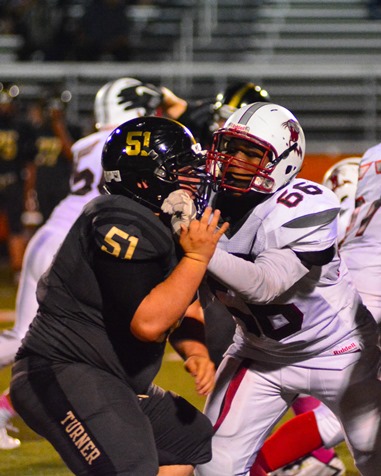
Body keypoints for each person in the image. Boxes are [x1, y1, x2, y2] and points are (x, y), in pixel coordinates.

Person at [9, 115, 229, 475]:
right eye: (183, 171)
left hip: (110, 378)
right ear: (146, 180)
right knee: (130, 466)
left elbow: (182, 307)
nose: (195, 179)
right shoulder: (119, 219)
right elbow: (149, 322)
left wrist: (196, 352)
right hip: (61, 371)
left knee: (190, 438)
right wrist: (195, 257)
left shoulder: (161, 221)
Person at [191, 102, 381, 476]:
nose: (235, 161)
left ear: (283, 162)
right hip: (260, 353)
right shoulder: (202, 199)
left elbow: (264, 285)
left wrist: (198, 251)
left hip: (339, 350)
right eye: (230, 149)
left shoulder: (302, 204)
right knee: (213, 467)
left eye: (251, 153)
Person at [0, 76, 170, 449]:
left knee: (41, 339)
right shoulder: (124, 142)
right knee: (49, 340)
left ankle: (8, 410)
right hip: (72, 245)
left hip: (51, 235)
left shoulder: (85, 143)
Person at [0, 81, 36, 284]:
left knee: (16, 226)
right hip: (13, 181)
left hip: (13, 180)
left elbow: (29, 163)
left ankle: (17, 270)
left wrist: (28, 191)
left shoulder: (22, 126)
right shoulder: (21, 125)